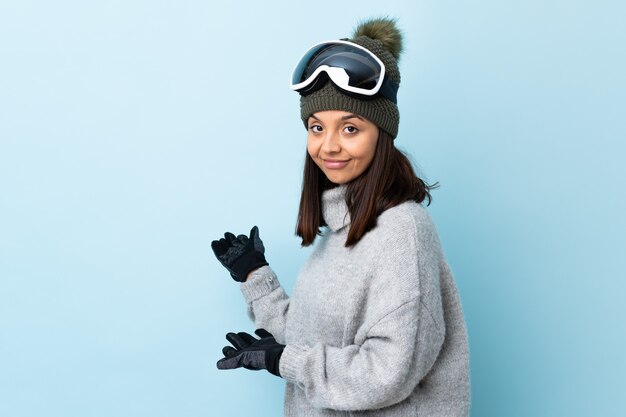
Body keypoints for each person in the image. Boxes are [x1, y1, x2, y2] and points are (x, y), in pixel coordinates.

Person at [211, 17, 470, 417]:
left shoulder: (403, 232)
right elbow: (311, 337)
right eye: (317, 127)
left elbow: (387, 372)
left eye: (350, 128)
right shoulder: (340, 234)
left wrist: (284, 361)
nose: (328, 146)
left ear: (381, 134)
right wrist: (255, 278)